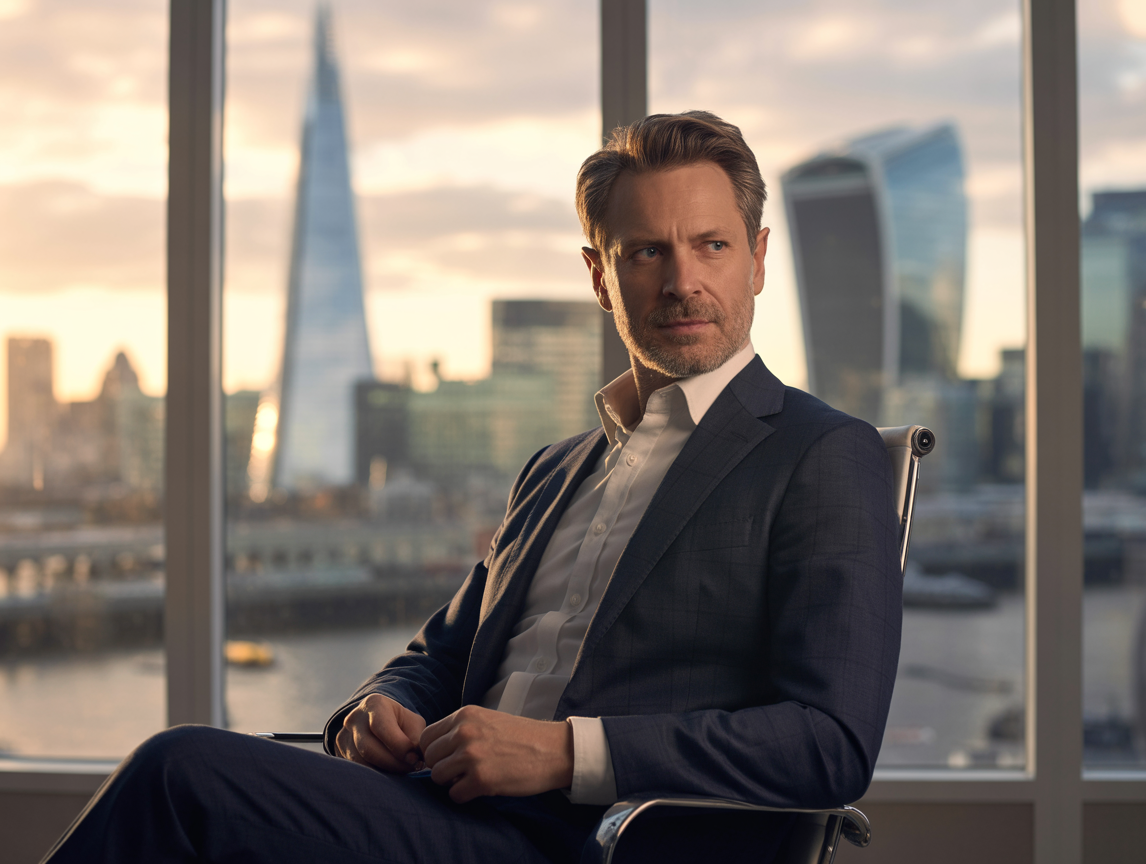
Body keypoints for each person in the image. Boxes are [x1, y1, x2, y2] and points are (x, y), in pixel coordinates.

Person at [42, 110, 901, 864]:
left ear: (755, 260)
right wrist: (377, 705)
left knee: (180, 776)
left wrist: (564, 753)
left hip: (593, 842)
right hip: (443, 810)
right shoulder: (558, 468)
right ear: (601, 278)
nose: (682, 282)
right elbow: (439, 654)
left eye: (711, 245)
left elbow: (829, 744)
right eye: (645, 251)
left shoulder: (822, 453)